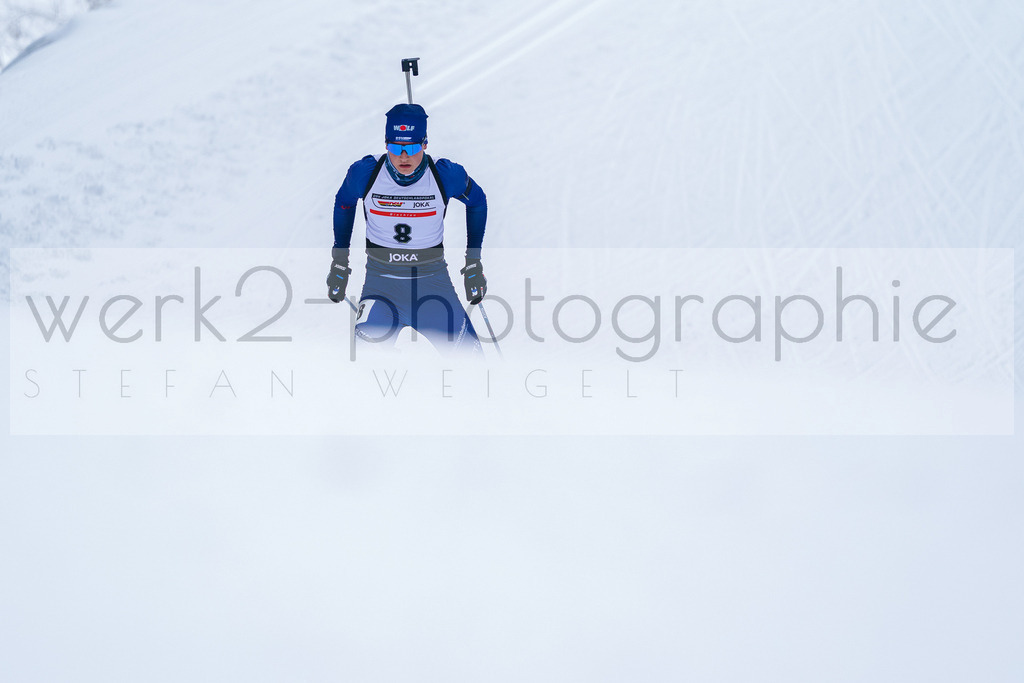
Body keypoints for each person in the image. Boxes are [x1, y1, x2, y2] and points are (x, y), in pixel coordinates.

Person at [326, 103, 488, 355]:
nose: (404, 156)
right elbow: (344, 203)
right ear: (386, 144)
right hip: (381, 288)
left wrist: (473, 263)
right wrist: (339, 262)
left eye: (412, 147)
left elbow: (477, 202)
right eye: (395, 147)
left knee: (472, 366)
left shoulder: (445, 174)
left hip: (433, 287)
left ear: (425, 144)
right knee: (366, 370)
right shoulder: (366, 173)